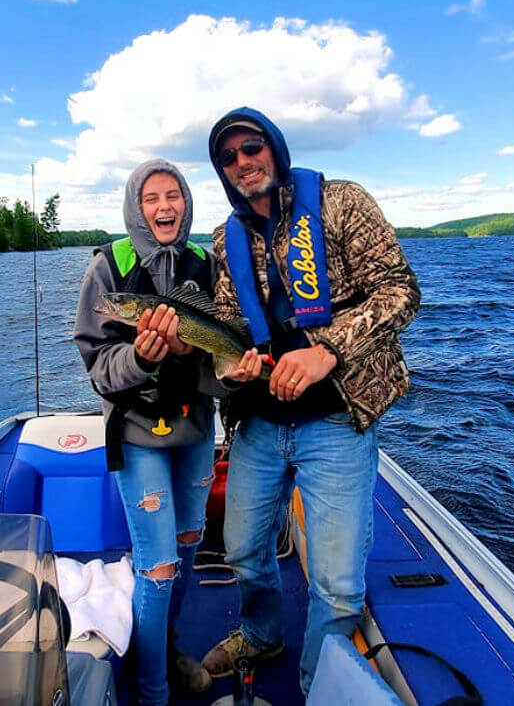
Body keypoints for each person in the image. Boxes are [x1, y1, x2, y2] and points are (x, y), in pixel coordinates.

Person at [200, 107, 421, 696]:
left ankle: (318, 685)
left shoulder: (342, 203)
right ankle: (262, 630)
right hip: (260, 424)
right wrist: (232, 365)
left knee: (339, 585)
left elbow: (401, 290)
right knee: (243, 551)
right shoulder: (226, 238)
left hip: (337, 419)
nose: (243, 163)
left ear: (274, 147)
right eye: (229, 157)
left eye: (252, 148)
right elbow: (228, 321)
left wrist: (326, 349)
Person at [74, 158, 234, 706]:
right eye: (152, 198)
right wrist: (140, 359)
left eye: (174, 196)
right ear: (136, 208)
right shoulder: (109, 267)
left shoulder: (206, 265)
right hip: (138, 434)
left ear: (187, 203)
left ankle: (164, 648)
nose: (165, 207)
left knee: (188, 547)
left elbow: (225, 373)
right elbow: (98, 365)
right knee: (158, 566)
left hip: (193, 431)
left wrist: (200, 356)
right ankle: (152, 692)